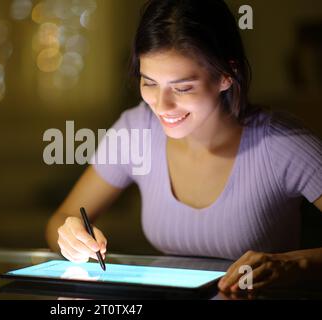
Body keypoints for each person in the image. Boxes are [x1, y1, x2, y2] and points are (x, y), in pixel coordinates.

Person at [45, 0, 322, 294]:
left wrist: (294, 263)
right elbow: (59, 221)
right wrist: (71, 238)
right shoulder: (136, 131)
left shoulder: (281, 143)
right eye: (149, 82)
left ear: (226, 75)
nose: (162, 106)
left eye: (183, 87)